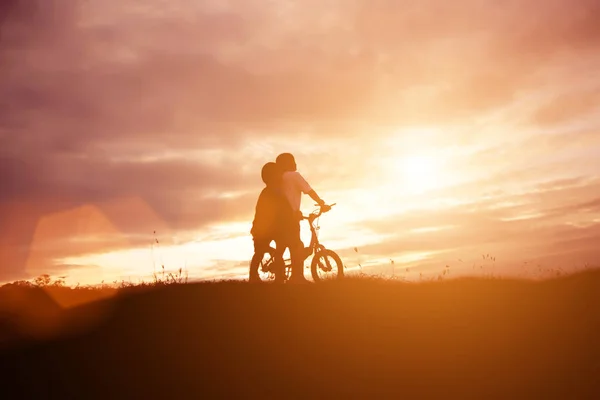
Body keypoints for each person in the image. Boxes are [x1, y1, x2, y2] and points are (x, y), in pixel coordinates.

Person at [275, 152, 330, 283]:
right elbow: (309, 190)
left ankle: (278, 278)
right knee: (296, 246)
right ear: (287, 164)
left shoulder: (278, 179)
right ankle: (297, 277)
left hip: (278, 218)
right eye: (292, 161)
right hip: (291, 218)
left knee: (281, 248)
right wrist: (321, 203)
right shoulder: (294, 176)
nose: (295, 164)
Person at [249, 162, 294, 283]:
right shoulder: (271, 192)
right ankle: (254, 276)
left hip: (274, 228)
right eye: (278, 173)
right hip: (264, 229)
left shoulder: (276, 191)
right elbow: (281, 208)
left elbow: (284, 208)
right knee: (260, 252)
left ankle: (279, 276)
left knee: (275, 251)